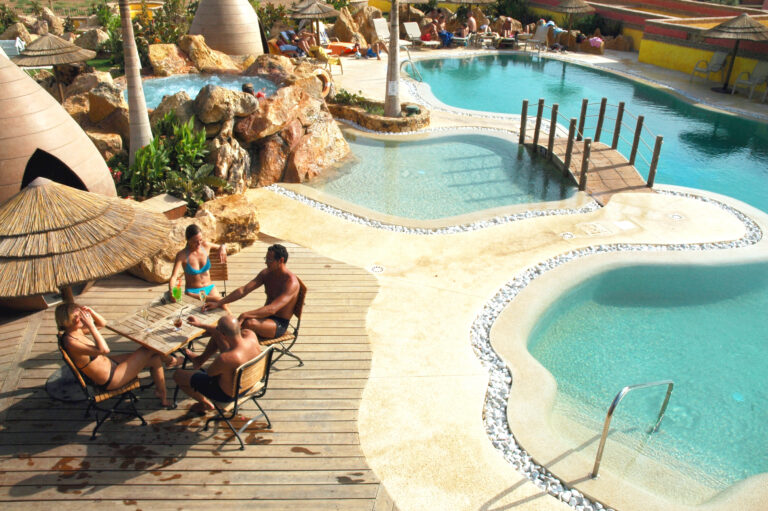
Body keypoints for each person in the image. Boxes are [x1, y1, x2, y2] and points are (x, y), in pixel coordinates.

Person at [56, 303, 181, 407]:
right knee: (149, 349)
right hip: (111, 379)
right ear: (65, 320)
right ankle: (171, 360)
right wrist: (91, 326)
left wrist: (92, 312)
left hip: (110, 365)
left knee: (154, 359)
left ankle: (162, 395)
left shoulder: (75, 331)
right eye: (76, 317)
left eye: (81, 315)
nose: (81, 319)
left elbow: (103, 323)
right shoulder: (71, 342)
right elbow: (104, 350)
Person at [203, 244, 299, 340]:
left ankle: (227, 342)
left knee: (247, 323)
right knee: (227, 326)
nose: (266, 263)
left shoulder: (291, 283)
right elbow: (243, 290)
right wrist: (219, 303)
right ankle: (217, 337)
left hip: (279, 324)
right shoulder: (266, 273)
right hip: (265, 317)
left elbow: (272, 309)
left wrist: (245, 314)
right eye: (266, 258)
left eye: (269, 260)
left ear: (281, 261)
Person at [173, 315, 262, 414]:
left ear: (223, 334)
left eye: (218, 328)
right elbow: (222, 333)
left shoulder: (225, 358)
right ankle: (199, 360)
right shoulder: (251, 335)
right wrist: (200, 325)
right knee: (216, 335)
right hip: (251, 382)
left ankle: (205, 403)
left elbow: (210, 373)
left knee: (178, 375)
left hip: (228, 395)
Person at [169, 224, 229, 309]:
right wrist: (171, 290)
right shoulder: (182, 255)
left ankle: (233, 321)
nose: (198, 244)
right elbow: (174, 277)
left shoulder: (205, 246)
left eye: (200, 240)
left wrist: (222, 247)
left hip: (210, 288)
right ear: (188, 240)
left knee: (223, 303)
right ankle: (235, 321)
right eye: (195, 241)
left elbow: (223, 246)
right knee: (221, 301)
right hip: (194, 293)